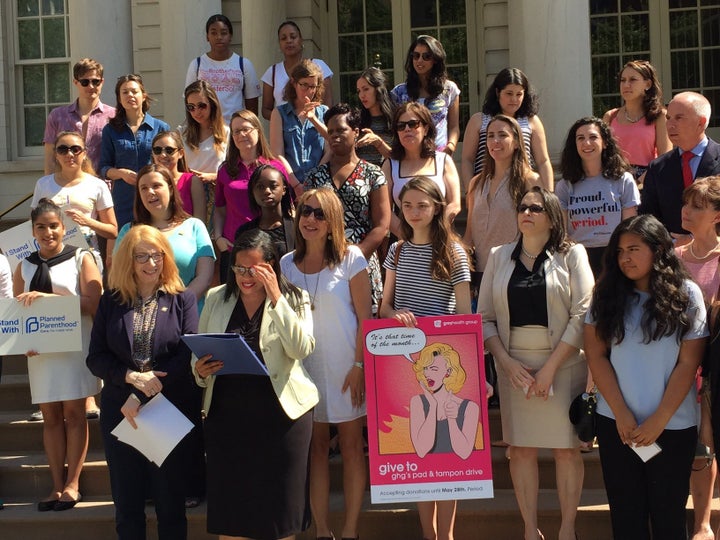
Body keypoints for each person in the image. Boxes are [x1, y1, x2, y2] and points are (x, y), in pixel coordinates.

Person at [478, 187, 594, 540]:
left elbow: (583, 312)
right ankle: (530, 529)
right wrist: (505, 362)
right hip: (513, 366)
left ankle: (567, 529)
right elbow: (483, 318)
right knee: (521, 450)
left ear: (552, 215)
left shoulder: (572, 254)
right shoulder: (498, 256)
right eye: (522, 207)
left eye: (536, 207)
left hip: (563, 363)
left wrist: (550, 370)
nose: (526, 212)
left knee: (565, 451)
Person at [585, 214, 707, 539]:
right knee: (627, 521)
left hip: (673, 427)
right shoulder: (605, 296)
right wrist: (622, 415)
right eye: (620, 250)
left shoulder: (688, 295)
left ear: (657, 249)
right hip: (618, 426)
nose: (625, 257)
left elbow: (688, 363)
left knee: (669, 520)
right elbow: (596, 356)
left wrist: (659, 420)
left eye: (634, 249)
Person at [192, 229, 318, 539]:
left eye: (254, 269)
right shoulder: (216, 297)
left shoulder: (294, 298)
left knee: (280, 514)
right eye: (238, 268)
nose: (245, 277)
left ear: (271, 267)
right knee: (232, 514)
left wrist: (276, 297)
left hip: (282, 419)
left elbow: (301, 349)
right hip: (228, 418)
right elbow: (198, 352)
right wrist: (200, 370)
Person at [87, 224, 199, 539]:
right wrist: (131, 377)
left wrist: (149, 387)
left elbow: (186, 353)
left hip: (168, 409)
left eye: (157, 255)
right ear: (128, 261)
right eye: (142, 257)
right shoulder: (111, 301)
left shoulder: (182, 299)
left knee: (171, 506)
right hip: (121, 411)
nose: (151, 263)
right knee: (128, 506)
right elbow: (96, 357)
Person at [379, 176, 473, 540]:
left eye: (422, 205)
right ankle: (427, 534)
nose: (414, 212)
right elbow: (384, 306)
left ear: (437, 207)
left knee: (446, 455)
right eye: (407, 206)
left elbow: (466, 317)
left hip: (445, 365)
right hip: (405, 364)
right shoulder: (396, 251)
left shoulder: (454, 252)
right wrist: (394, 315)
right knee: (418, 454)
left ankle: (446, 535)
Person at [280, 189, 372, 540]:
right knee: (316, 449)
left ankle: (349, 530)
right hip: (305, 371)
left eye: (319, 213)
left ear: (333, 219)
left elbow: (365, 318)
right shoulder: (287, 264)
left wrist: (360, 366)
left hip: (347, 367)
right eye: (305, 211)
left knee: (351, 447)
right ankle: (322, 530)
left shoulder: (352, 260)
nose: (311, 219)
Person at [13, 199, 102, 512]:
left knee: (75, 415)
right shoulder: (23, 265)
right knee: (50, 418)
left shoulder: (82, 256)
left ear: (64, 227)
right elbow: (17, 312)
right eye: (41, 227)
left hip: (74, 347)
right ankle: (54, 485)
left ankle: (73, 485)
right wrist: (22, 340)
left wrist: (50, 301)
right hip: (41, 351)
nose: (48, 232)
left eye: (54, 225)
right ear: (33, 230)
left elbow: (93, 303)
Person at [304, 103, 391, 311]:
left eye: (341, 130)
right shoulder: (315, 177)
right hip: (323, 264)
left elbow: (382, 225)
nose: (334, 135)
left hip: (361, 261)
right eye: (330, 131)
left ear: (356, 132)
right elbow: (306, 221)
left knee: (363, 328)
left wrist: (355, 257)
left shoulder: (373, 174)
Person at [674, 177, 720, 540]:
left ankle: (706, 525)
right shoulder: (673, 259)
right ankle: (697, 522)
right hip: (678, 367)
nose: (687, 211)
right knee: (694, 449)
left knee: (710, 442)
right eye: (686, 204)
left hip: (716, 370)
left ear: (717, 214)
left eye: (698, 206)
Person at [215, 110, 300, 284]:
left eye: (246, 129)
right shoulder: (225, 169)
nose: (241, 135)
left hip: (270, 246)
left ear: (258, 130)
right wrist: (218, 238)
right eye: (236, 131)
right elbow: (220, 208)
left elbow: (288, 208)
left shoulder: (275, 166)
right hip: (234, 246)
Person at [115, 164, 215, 311]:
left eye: (156, 185)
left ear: (170, 188)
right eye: (143, 188)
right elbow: (119, 277)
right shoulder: (127, 231)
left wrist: (176, 307)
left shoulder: (195, 226)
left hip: (186, 316)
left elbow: (204, 278)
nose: (150, 191)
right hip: (139, 317)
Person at [556, 117, 640, 276]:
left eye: (593, 137)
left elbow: (629, 227)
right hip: (578, 258)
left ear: (605, 142)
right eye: (580, 138)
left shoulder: (623, 180)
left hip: (614, 256)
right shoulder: (564, 186)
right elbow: (562, 232)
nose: (586, 143)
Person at [463, 114, 540, 284]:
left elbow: (539, 229)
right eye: (490, 136)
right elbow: (469, 235)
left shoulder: (530, 180)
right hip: (480, 273)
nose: (495, 141)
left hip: (516, 272)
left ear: (517, 142)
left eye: (503, 135)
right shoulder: (476, 183)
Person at [32, 131, 118, 272]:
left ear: (84, 154)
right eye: (63, 149)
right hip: (51, 260)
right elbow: (34, 225)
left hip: (86, 257)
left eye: (75, 149)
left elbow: (112, 231)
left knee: (89, 295)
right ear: (56, 154)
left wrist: (87, 221)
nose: (69, 154)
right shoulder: (43, 184)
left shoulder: (98, 185)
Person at [640, 92, 720, 243]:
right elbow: (648, 218)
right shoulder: (658, 168)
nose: (670, 125)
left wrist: (695, 239)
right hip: (673, 257)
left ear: (701, 123)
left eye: (679, 118)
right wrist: (671, 244)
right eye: (668, 118)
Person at [461, 68, 553, 190]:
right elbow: (467, 160)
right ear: (498, 92)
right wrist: (470, 192)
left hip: (523, 189)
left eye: (519, 94)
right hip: (486, 190)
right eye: (509, 94)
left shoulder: (532, 121)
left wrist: (549, 194)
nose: (514, 99)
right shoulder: (479, 120)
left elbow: (543, 161)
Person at [99, 74, 171, 231]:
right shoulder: (110, 130)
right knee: (127, 244)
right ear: (119, 98)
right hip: (124, 199)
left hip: (154, 197)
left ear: (143, 95)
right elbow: (103, 168)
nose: (130, 95)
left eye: (134, 91)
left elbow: (169, 164)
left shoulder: (161, 128)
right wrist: (121, 173)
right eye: (124, 92)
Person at [382, 102, 461, 239]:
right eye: (401, 126)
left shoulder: (443, 161)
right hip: (403, 239)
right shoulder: (389, 165)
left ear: (426, 128)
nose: (407, 129)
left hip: (440, 237)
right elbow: (385, 210)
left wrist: (433, 234)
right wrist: (410, 238)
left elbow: (454, 204)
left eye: (413, 124)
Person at [602, 60, 672, 184]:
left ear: (648, 84)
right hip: (614, 181)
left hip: (647, 181)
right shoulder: (610, 116)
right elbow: (602, 155)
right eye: (623, 80)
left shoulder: (660, 116)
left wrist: (639, 182)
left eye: (632, 80)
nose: (626, 85)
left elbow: (664, 157)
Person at [43, 58, 116, 175]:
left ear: (102, 82)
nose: (91, 86)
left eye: (95, 81)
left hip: (103, 186)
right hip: (67, 187)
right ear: (75, 82)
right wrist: (49, 188)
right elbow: (50, 160)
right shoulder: (57, 116)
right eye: (85, 82)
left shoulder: (114, 116)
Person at [185, 14, 261, 123]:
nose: (219, 37)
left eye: (224, 33)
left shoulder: (244, 64)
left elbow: (252, 107)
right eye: (214, 33)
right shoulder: (196, 65)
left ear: (230, 36)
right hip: (206, 131)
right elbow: (190, 103)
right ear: (207, 36)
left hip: (235, 131)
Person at [390, 35, 459, 153]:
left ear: (435, 59)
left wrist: (450, 147)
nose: (419, 60)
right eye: (416, 56)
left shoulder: (449, 89)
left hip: (440, 154)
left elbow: (454, 126)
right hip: (409, 157)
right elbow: (395, 127)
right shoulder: (399, 92)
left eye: (426, 56)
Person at [410, 343, 479, 460]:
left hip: (464, 472)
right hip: (429, 472)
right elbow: (421, 450)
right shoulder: (418, 402)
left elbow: (464, 453)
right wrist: (433, 406)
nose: (427, 374)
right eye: (425, 368)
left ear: (448, 372)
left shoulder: (470, 407)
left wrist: (452, 420)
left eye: (433, 369)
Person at [270, 60, 330, 184]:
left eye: (313, 86)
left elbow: (332, 146)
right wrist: (296, 185)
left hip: (320, 182)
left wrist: (313, 119)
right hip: (290, 183)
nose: (309, 91)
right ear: (294, 83)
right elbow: (277, 154)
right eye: (304, 85)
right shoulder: (279, 113)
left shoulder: (324, 112)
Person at [261, 20, 334, 121]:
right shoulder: (272, 72)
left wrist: (317, 120)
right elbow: (265, 109)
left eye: (293, 37)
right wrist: (285, 118)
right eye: (283, 38)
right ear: (279, 44)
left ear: (301, 40)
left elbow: (328, 103)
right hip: (284, 131)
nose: (289, 41)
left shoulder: (318, 65)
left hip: (316, 126)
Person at [181, 80, 229, 231]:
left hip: (217, 193)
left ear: (212, 104)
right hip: (188, 193)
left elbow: (234, 168)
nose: (197, 112)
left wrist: (213, 176)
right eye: (191, 107)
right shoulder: (182, 133)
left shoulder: (227, 133)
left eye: (202, 105)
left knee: (216, 241)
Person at [234, 163, 296, 259]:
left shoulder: (297, 227)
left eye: (273, 186)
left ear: (284, 190)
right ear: (252, 192)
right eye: (260, 187)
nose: (267, 191)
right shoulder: (244, 232)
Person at [150, 131, 206, 222]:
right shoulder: (147, 182)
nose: (163, 155)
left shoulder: (191, 181)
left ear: (181, 153)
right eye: (157, 150)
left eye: (169, 150)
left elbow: (200, 220)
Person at [355, 67, 394, 166]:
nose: (362, 95)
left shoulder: (397, 119)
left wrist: (378, 142)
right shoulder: (357, 120)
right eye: (359, 91)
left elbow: (400, 160)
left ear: (379, 89)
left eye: (366, 89)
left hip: (388, 178)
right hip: (361, 178)